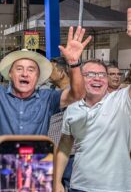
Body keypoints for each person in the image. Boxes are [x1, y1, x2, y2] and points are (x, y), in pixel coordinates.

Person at [0, 19, 90, 139]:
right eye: (19, 69)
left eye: (31, 70)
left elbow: (77, 94)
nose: (25, 74)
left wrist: (74, 63)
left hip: (38, 163)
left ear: (37, 77)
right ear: (10, 74)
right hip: (5, 162)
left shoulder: (48, 98)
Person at [55, 59, 131, 192]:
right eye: (90, 74)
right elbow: (65, 146)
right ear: (80, 79)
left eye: (102, 75)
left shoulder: (122, 101)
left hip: (116, 187)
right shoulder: (72, 108)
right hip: (79, 186)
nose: (97, 78)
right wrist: (56, 181)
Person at [46, 56, 74, 191]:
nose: (47, 73)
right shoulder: (51, 89)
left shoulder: (74, 94)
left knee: (67, 184)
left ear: (61, 72)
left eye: (51, 70)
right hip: (50, 149)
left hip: (67, 153)